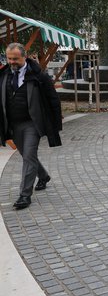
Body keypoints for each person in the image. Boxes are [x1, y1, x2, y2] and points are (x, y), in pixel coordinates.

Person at [1, 43, 62, 210]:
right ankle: (43, 176)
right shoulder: (4, 75)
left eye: (15, 59)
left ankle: (24, 195)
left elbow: (53, 99)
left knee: (28, 155)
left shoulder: (38, 76)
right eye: (9, 58)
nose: (12, 62)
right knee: (26, 155)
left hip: (31, 124)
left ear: (24, 56)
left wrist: (56, 124)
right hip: (13, 124)